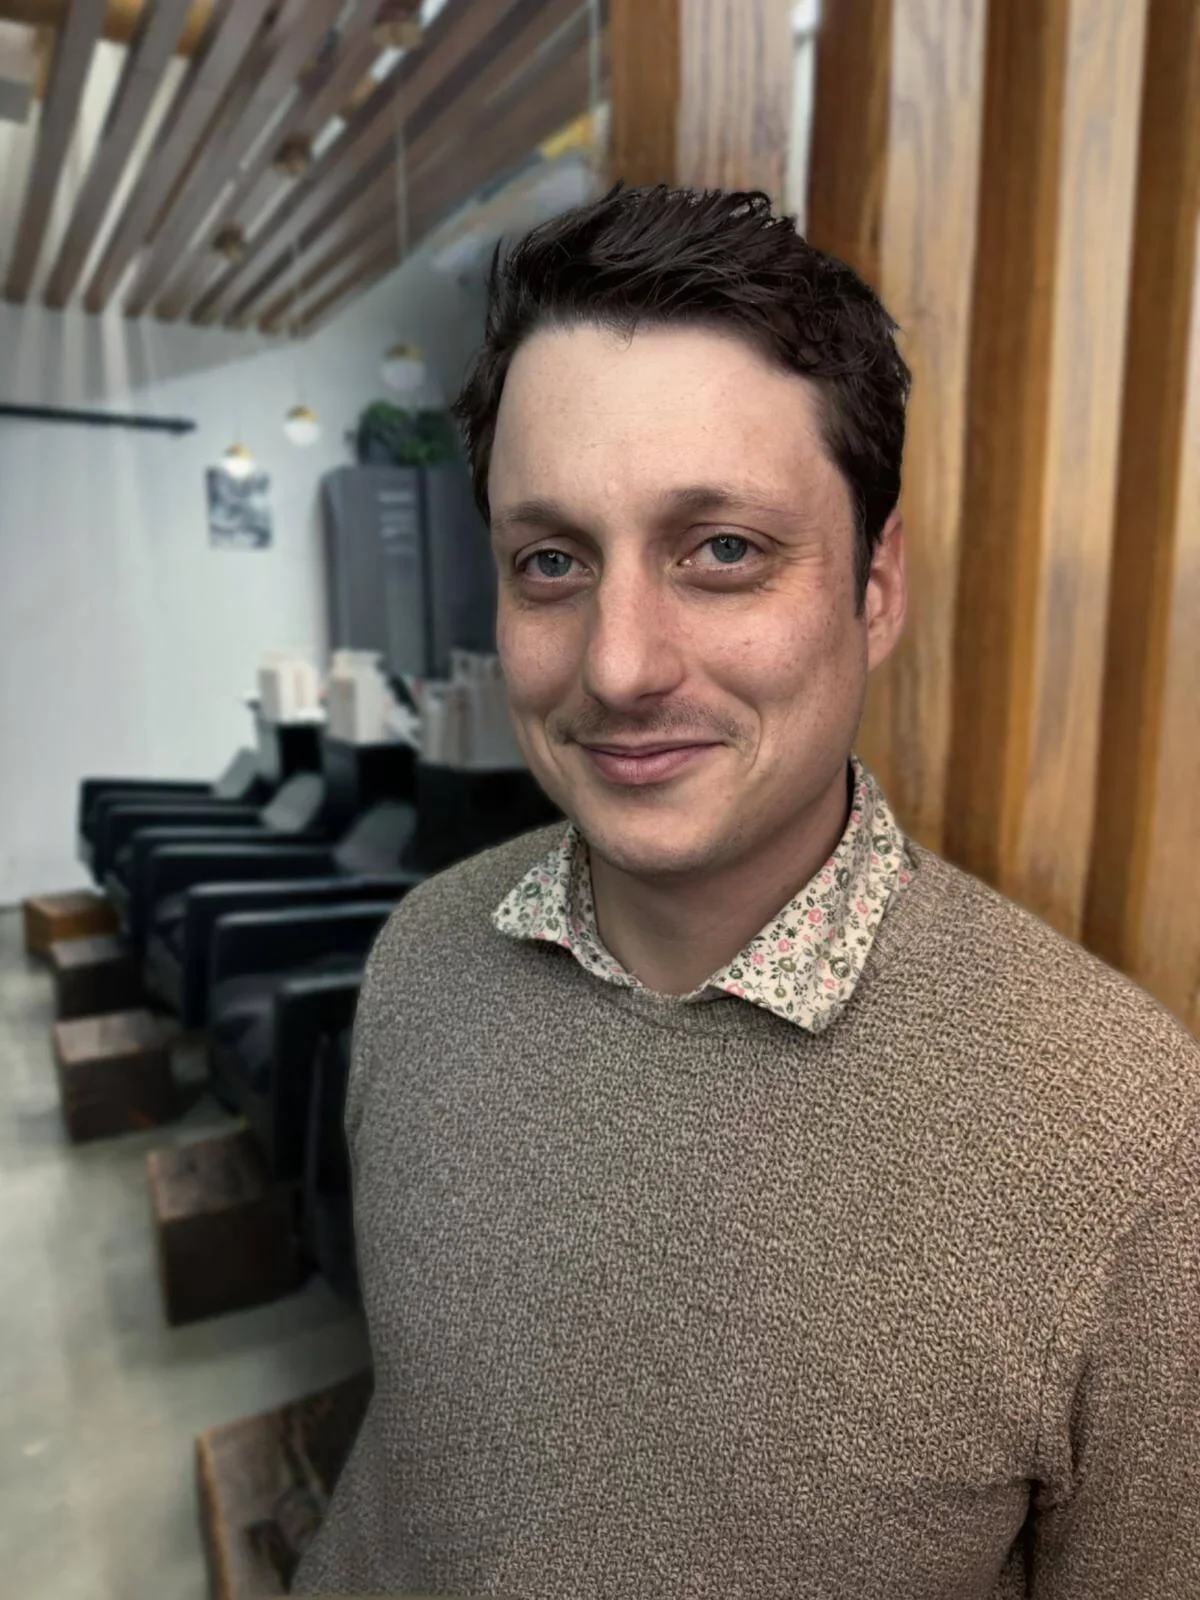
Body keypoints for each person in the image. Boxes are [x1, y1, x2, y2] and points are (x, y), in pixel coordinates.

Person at [295, 185, 1200, 1599]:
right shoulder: (422, 964)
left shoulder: (1121, 1137)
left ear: (876, 589)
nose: (619, 664)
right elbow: (413, 1479)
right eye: (553, 562)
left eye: (721, 550)